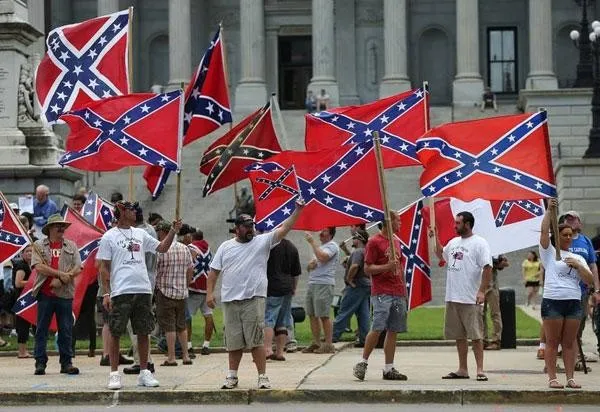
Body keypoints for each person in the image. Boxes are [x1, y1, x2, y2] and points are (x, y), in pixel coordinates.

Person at [206, 200, 304, 390]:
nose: (250, 229)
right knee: (233, 342)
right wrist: (209, 294)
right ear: (237, 229)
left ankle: (262, 377)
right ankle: (232, 376)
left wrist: (297, 210)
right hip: (231, 300)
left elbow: (284, 229)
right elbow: (213, 272)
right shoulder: (225, 247)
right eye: (246, 226)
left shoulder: (262, 241)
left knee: (256, 340)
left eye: (252, 225)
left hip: (254, 299)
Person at [97, 200, 183, 390]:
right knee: (115, 331)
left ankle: (144, 372)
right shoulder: (109, 236)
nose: (135, 212)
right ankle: (114, 374)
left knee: (143, 331)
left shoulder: (141, 233)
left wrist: (172, 232)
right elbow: (103, 267)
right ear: (121, 211)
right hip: (120, 290)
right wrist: (106, 292)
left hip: (143, 288)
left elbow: (161, 248)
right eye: (130, 209)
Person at [431, 211, 492, 382]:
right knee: (459, 336)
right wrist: (434, 237)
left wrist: (481, 291)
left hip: (470, 298)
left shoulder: (480, 243)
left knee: (476, 336)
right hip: (453, 296)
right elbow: (440, 254)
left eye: (458, 223)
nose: (454, 225)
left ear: (467, 224)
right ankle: (463, 369)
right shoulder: (453, 242)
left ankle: (480, 370)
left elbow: (487, 267)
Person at [539, 199, 593, 389]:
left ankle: (570, 378)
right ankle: (553, 378)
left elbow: (589, 280)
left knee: (569, 342)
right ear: (558, 236)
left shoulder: (578, 257)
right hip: (553, 301)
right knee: (553, 341)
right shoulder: (550, 253)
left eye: (571, 235)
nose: (569, 238)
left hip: (573, 302)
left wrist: (579, 266)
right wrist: (549, 211)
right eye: (565, 235)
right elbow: (544, 233)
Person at [353, 214, 408, 381]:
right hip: (381, 291)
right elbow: (367, 268)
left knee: (394, 329)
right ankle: (362, 362)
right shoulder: (374, 242)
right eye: (398, 220)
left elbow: (400, 266)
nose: (400, 222)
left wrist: (404, 290)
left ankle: (388, 368)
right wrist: (386, 266)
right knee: (377, 327)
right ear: (388, 223)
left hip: (397, 290)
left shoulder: (396, 241)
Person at [31, 214, 81, 375]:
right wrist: (60, 274)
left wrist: (63, 280)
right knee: (41, 330)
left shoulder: (71, 245)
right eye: (57, 225)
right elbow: (39, 267)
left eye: (63, 225)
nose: (61, 228)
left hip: (65, 294)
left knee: (66, 330)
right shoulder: (38, 245)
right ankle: (40, 362)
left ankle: (66, 363)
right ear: (49, 229)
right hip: (45, 295)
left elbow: (78, 267)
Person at [558, 210, 600, 370]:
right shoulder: (560, 241)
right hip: (562, 290)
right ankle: (569, 360)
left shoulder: (585, 241)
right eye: (568, 218)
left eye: (575, 218)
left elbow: (593, 266)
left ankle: (573, 360)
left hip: (581, 291)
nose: (571, 220)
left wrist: (597, 290)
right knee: (562, 326)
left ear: (580, 224)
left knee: (578, 325)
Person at [154, 221, 194, 366]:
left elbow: (155, 270)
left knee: (169, 326)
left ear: (162, 232)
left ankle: (171, 357)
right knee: (181, 325)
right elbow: (190, 269)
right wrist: (186, 284)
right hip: (182, 292)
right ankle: (185, 355)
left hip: (165, 291)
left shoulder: (160, 250)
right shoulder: (184, 248)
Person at [302, 227, 339, 354]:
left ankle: (328, 344)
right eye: (321, 230)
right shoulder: (320, 247)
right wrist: (309, 266)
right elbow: (313, 264)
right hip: (313, 283)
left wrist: (312, 242)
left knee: (323, 314)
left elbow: (323, 258)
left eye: (325, 231)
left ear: (331, 234)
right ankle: (316, 342)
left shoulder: (332, 246)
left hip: (324, 284)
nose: (321, 233)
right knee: (312, 314)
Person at [264, 237, 301, 361]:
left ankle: (267, 349)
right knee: (282, 321)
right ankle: (280, 352)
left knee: (269, 318)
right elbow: (296, 273)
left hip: (272, 286)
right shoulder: (291, 246)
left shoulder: (269, 246)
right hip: (287, 287)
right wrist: (294, 288)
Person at [333, 229, 371, 347]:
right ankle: (365, 339)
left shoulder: (358, 252)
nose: (352, 240)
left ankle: (333, 336)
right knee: (363, 313)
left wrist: (349, 279)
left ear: (359, 240)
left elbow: (355, 266)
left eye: (354, 238)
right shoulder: (366, 251)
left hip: (356, 285)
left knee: (344, 310)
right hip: (367, 285)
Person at [186, 229, 215, 356]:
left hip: (194, 286)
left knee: (187, 317)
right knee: (208, 316)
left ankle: (188, 345)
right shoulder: (208, 249)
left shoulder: (191, 247)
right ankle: (206, 345)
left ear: (192, 237)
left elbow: (189, 264)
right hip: (206, 287)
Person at [13, 243, 33, 358]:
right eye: (27, 251)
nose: (29, 253)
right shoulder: (21, 266)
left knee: (26, 325)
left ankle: (25, 350)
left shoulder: (31, 266)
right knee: (22, 326)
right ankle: (21, 352)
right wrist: (33, 282)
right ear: (22, 254)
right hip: (21, 299)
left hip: (28, 299)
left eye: (31, 251)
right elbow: (18, 283)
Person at [483, 255, 508, 351]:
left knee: (495, 313)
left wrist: (496, 263)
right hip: (478, 285)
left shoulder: (495, 251)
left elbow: (505, 263)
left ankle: (496, 341)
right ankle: (482, 340)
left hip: (491, 286)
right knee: (480, 314)